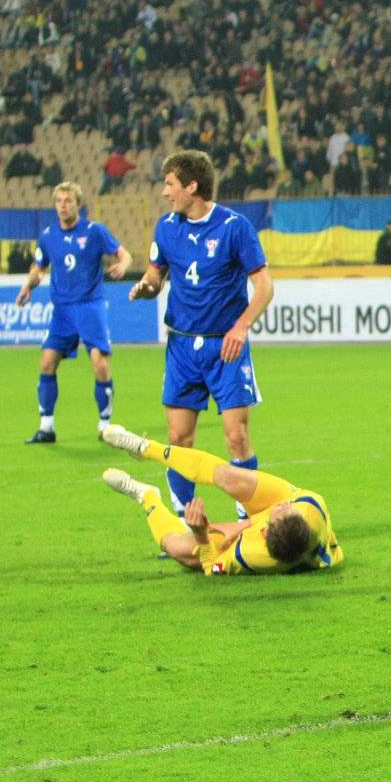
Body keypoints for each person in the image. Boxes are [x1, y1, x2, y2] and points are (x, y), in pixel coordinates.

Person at [128, 149, 275, 518]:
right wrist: (146, 287)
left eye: (170, 184)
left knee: (237, 436)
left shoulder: (234, 227)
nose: (165, 192)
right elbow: (155, 275)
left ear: (192, 186)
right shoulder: (166, 226)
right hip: (181, 346)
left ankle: (248, 519)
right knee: (179, 439)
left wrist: (241, 327)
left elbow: (264, 287)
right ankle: (182, 519)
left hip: (225, 346)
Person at [98, 424, 342, 575]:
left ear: (264, 533)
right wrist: (240, 525)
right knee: (229, 477)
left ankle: (146, 495)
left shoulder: (253, 556)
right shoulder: (310, 508)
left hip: (275, 536)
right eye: (287, 509)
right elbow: (282, 511)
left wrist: (201, 534)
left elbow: (211, 567)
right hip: (288, 507)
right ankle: (144, 447)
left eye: (279, 511)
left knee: (179, 550)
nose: (282, 506)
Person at [16, 181, 132, 443]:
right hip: (62, 311)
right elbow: (39, 267)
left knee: (100, 365)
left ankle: (105, 427)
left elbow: (123, 254)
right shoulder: (47, 236)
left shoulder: (94, 232)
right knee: (47, 362)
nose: (63, 206)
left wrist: (123, 265)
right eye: (59, 201)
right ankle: (46, 428)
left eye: (68, 201)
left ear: (78, 204)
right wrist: (27, 286)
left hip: (90, 306)